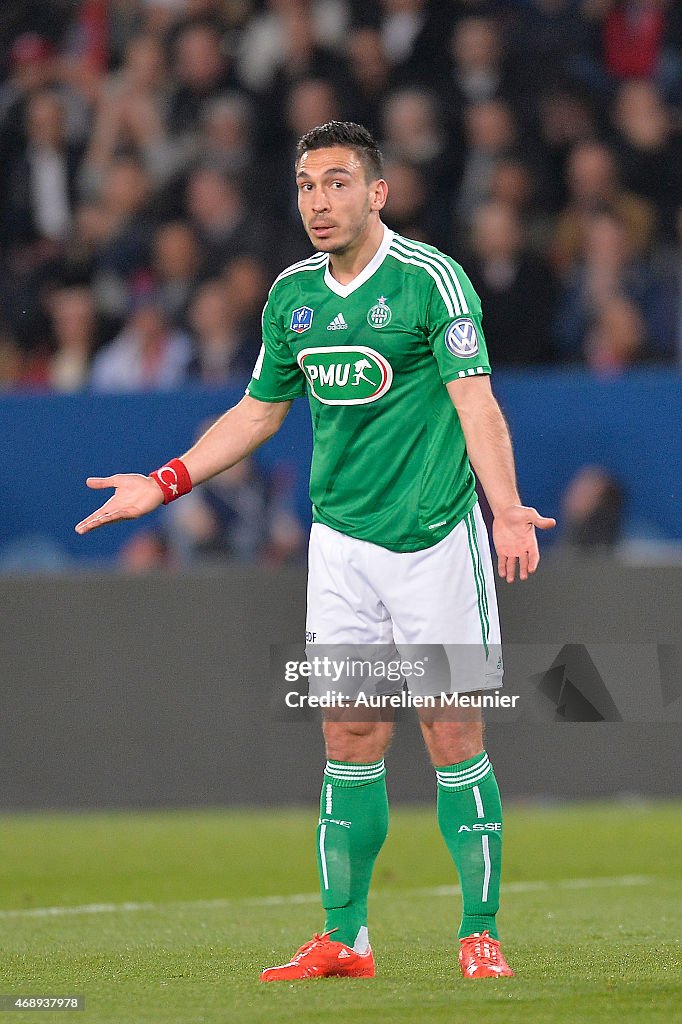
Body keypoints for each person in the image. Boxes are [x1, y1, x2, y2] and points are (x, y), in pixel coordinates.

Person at [75, 121, 555, 982]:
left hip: (435, 539)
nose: (318, 202)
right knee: (349, 731)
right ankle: (346, 938)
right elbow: (259, 412)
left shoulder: (431, 283)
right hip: (340, 548)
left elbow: (476, 403)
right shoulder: (292, 297)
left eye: (336, 183)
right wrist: (166, 479)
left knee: (450, 730)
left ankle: (479, 934)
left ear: (377, 193)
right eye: (305, 186)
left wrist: (508, 508)